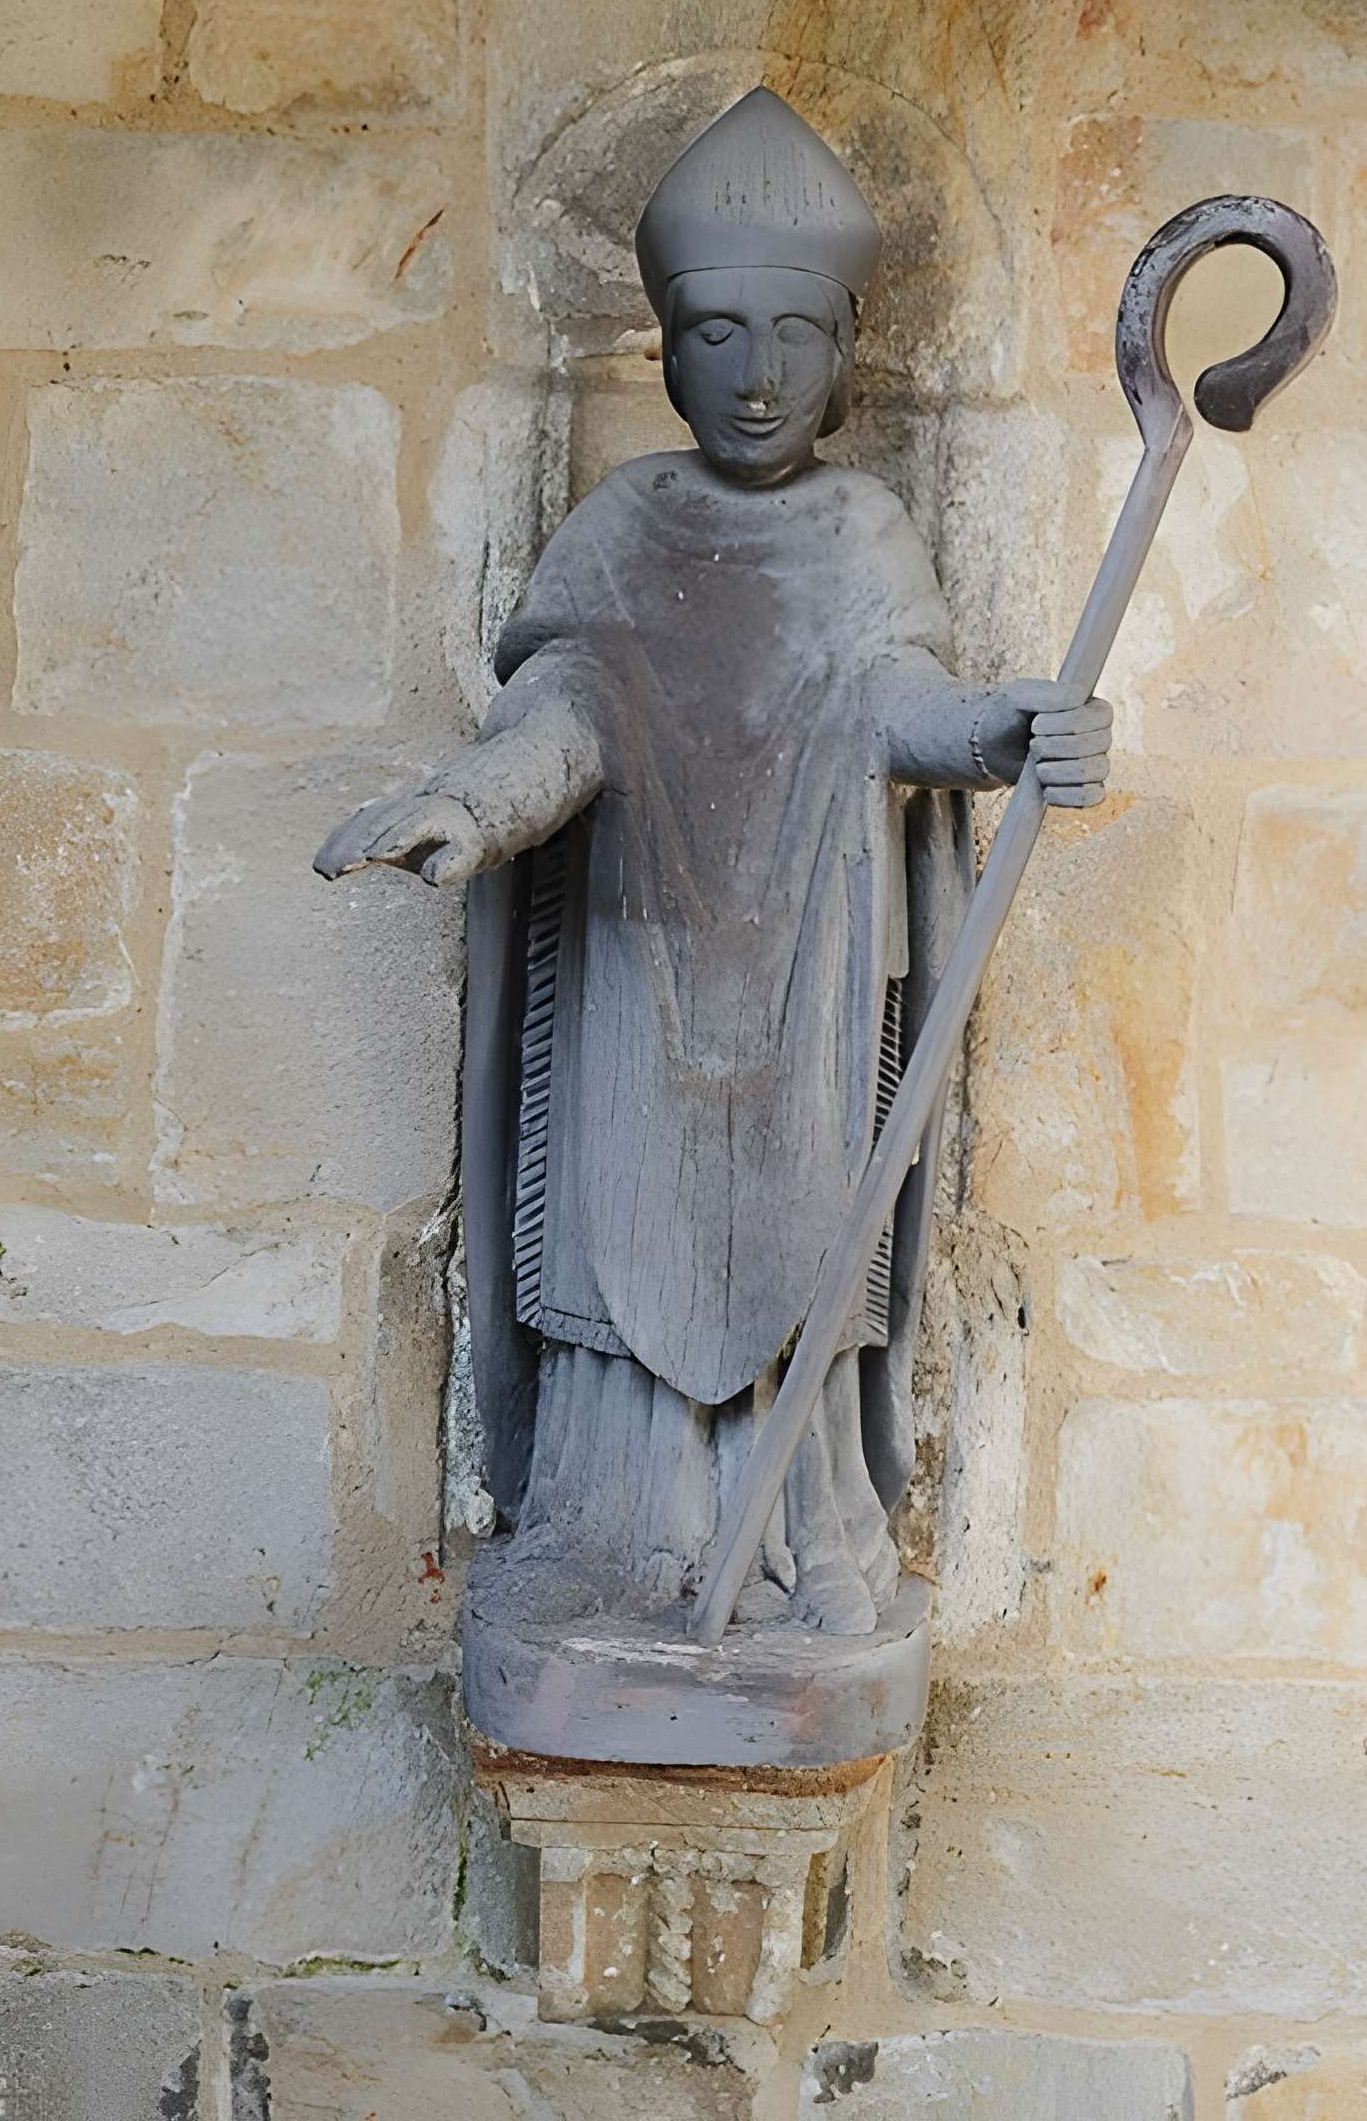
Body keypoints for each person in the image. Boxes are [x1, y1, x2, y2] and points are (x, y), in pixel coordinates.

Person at [316, 88, 1111, 1635]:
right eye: (719, 333)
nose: (758, 376)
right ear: (668, 345)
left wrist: (1012, 729)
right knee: (622, 1243)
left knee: (807, 1234)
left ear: (847, 340)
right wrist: (469, 807)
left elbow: (900, 706)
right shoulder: (616, 534)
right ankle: (610, 1527)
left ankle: (805, 1529)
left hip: (808, 972)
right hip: (638, 967)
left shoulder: (868, 536)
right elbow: (567, 711)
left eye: (794, 334)